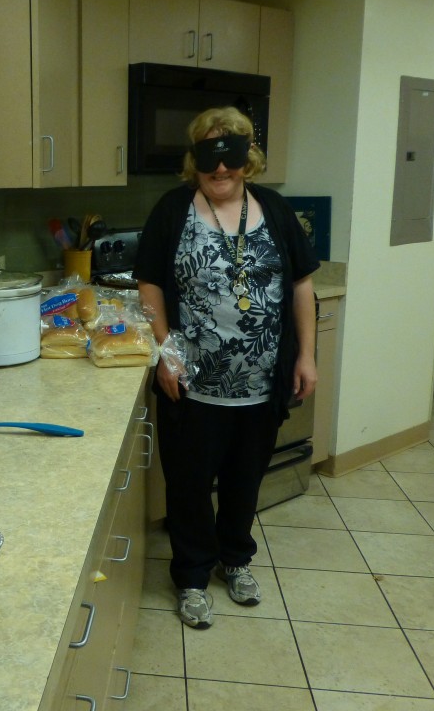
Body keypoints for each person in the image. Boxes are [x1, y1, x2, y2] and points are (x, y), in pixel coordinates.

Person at [133, 106, 319, 629]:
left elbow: (301, 285)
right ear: (195, 160)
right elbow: (149, 283)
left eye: (232, 157)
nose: (221, 170)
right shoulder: (173, 211)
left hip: (263, 383)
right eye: (210, 158)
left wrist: (305, 355)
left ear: (248, 160)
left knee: (245, 479)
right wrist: (168, 353)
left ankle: (234, 560)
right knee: (189, 484)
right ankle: (192, 577)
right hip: (192, 384)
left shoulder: (276, 211)